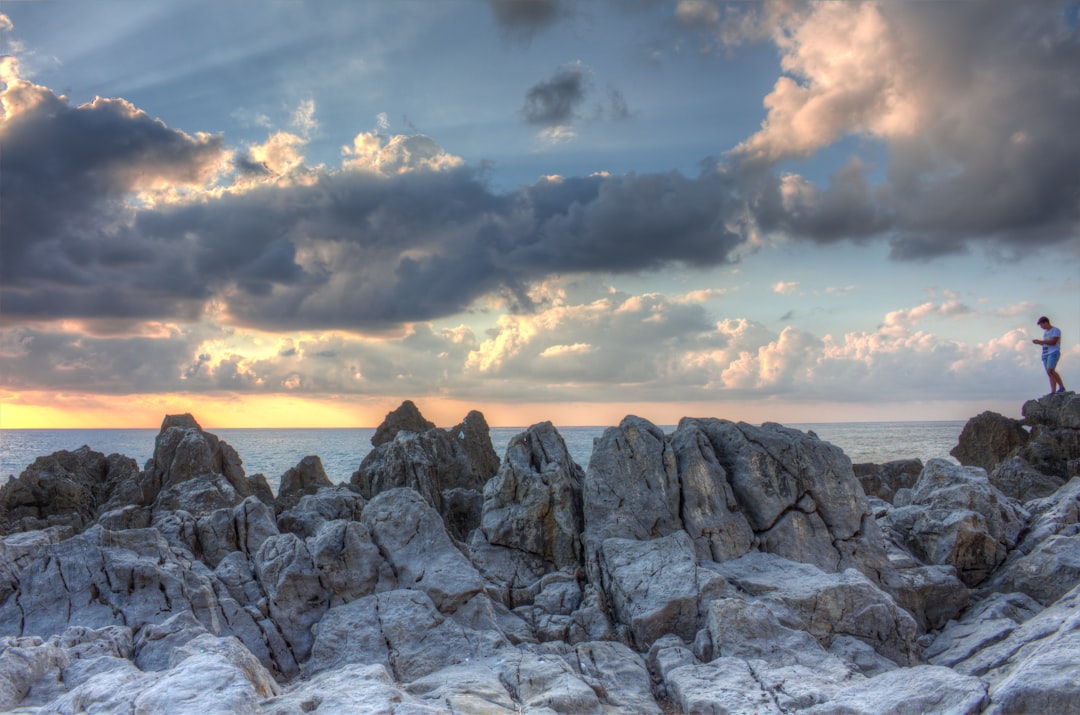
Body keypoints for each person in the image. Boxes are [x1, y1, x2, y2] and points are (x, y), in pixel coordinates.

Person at [1032, 316, 1066, 395]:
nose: (1041, 327)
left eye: (1041, 325)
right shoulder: (1045, 333)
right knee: (1049, 372)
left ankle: (1062, 387)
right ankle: (1053, 391)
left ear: (1046, 323)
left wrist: (1041, 341)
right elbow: (1046, 343)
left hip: (1053, 352)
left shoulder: (1055, 330)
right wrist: (1038, 342)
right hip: (1045, 353)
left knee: (1051, 369)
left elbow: (1053, 342)